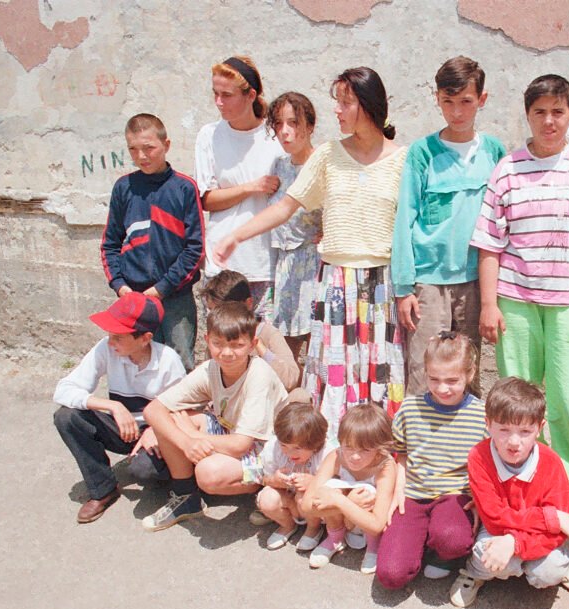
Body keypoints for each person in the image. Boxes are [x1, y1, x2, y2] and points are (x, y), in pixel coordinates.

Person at [212, 66, 408, 431]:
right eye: (337, 102)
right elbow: (284, 207)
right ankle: (332, 456)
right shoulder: (328, 157)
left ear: (367, 105)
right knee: (334, 376)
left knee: (378, 372)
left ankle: (378, 461)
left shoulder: (404, 160)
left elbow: (412, 228)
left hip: (383, 285)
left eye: (345, 103)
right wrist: (236, 235)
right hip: (335, 283)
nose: (337, 111)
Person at [471, 74, 569, 527]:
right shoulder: (508, 169)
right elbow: (490, 243)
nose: (549, 120)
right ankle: (516, 480)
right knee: (515, 400)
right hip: (515, 302)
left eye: (558, 111)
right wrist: (488, 304)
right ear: (528, 115)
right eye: (540, 112)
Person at [391, 56, 506, 395]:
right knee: (426, 369)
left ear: (481, 100)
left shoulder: (494, 151)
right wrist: (404, 287)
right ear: (437, 99)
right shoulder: (422, 152)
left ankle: (466, 443)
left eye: (466, 102)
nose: (457, 111)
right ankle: (419, 444)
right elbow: (405, 217)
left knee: (466, 369)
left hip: (475, 281)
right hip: (428, 283)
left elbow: (501, 220)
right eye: (448, 102)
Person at [140, 302, 288, 531]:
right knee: (173, 417)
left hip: (268, 448)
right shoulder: (211, 368)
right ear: (207, 340)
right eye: (218, 344)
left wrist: (192, 436)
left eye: (237, 345)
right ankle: (186, 497)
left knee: (208, 473)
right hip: (230, 431)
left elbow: (241, 444)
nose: (227, 353)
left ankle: (265, 485)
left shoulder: (259, 374)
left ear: (252, 345)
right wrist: (186, 442)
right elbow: (153, 410)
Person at [449, 377, 569, 608]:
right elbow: (495, 519)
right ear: (488, 424)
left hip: (539, 534)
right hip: (500, 529)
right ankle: (476, 571)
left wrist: (514, 544)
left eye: (526, 431)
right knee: (488, 555)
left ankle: (564, 567)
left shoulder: (551, 462)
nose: (514, 442)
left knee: (550, 570)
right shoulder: (478, 457)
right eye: (504, 429)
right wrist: (552, 518)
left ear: (540, 427)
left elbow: (559, 533)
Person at [53, 292, 186, 523]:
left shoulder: (168, 361)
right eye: (110, 335)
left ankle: (177, 481)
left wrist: (156, 429)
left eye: (119, 337)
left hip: (157, 433)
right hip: (123, 428)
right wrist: (112, 405)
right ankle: (103, 488)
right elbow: (64, 390)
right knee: (66, 417)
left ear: (145, 338)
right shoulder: (107, 348)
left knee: (144, 471)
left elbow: (183, 408)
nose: (111, 341)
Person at [377, 331, 488, 589]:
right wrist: (397, 491)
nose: (442, 388)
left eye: (452, 380)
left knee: (452, 539)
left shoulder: (481, 414)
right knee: (391, 575)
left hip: (454, 496)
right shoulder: (409, 408)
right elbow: (400, 455)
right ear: (425, 373)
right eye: (434, 379)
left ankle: (443, 550)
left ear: (469, 375)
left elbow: (485, 465)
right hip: (414, 496)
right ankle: (419, 539)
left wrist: (480, 502)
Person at [100, 113, 204, 371]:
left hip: (175, 296)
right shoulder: (124, 188)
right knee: (140, 360)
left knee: (180, 361)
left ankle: (183, 411)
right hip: (134, 296)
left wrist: (162, 288)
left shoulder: (184, 188)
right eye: (133, 149)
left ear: (166, 146)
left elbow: (194, 249)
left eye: (149, 148)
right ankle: (145, 411)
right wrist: (121, 286)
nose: (142, 156)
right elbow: (110, 244)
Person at [195, 56, 283, 316]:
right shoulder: (209, 136)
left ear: (251, 95)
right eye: (215, 94)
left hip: (264, 261)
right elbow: (206, 199)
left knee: (266, 347)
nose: (219, 102)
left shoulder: (275, 136)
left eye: (227, 95)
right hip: (222, 263)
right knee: (225, 346)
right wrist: (251, 187)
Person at [300, 403, 398, 574]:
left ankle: (373, 545)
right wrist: (342, 500)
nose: (354, 456)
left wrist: (340, 502)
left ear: (379, 449)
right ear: (340, 442)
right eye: (349, 447)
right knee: (329, 489)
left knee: (367, 493)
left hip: (368, 522)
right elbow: (306, 506)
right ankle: (335, 539)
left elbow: (377, 524)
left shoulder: (386, 466)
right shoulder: (336, 457)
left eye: (365, 450)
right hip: (348, 515)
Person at [264, 92, 323, 365]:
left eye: (293, 123)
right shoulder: (279, 166)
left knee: (318, 349)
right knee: (284, 353)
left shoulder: (323, 165)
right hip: (285, 267)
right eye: (278, 124)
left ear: (309, 126)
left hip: (316, 267)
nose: (285, 132)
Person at [201, 269, 305, 398]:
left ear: (248, 304)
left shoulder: (268, 334)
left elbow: (290, 381)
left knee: (300, 396)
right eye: (212, 311)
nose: (220, 320)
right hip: (229, 408)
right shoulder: (217, 340)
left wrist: (260, 348)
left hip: (269, 405)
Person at [255, 403, 336, 552]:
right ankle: (287, 524)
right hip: (287, 497)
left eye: (297, 448)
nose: (289, 453)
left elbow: (339, 485)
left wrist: (314, 482)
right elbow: (262, 478)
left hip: (310, 502)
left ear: (315, 445)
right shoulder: (274, 448)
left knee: (303, 496)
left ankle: (313, 528)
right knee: (266, 499)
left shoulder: (327, 453)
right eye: (284, 445)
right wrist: (275, 480)